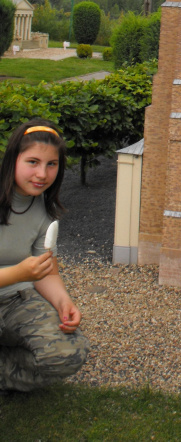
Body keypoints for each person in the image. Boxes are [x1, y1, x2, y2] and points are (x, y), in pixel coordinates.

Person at [0, 119, 89, 391]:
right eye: (33, 162)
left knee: (69, 354)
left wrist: (64, 302)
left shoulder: (44, 210)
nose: (42, 173)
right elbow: (27, 271)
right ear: (14, 159)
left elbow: (46, 269)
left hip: (16, 301)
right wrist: (19, 273)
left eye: (52, 164)